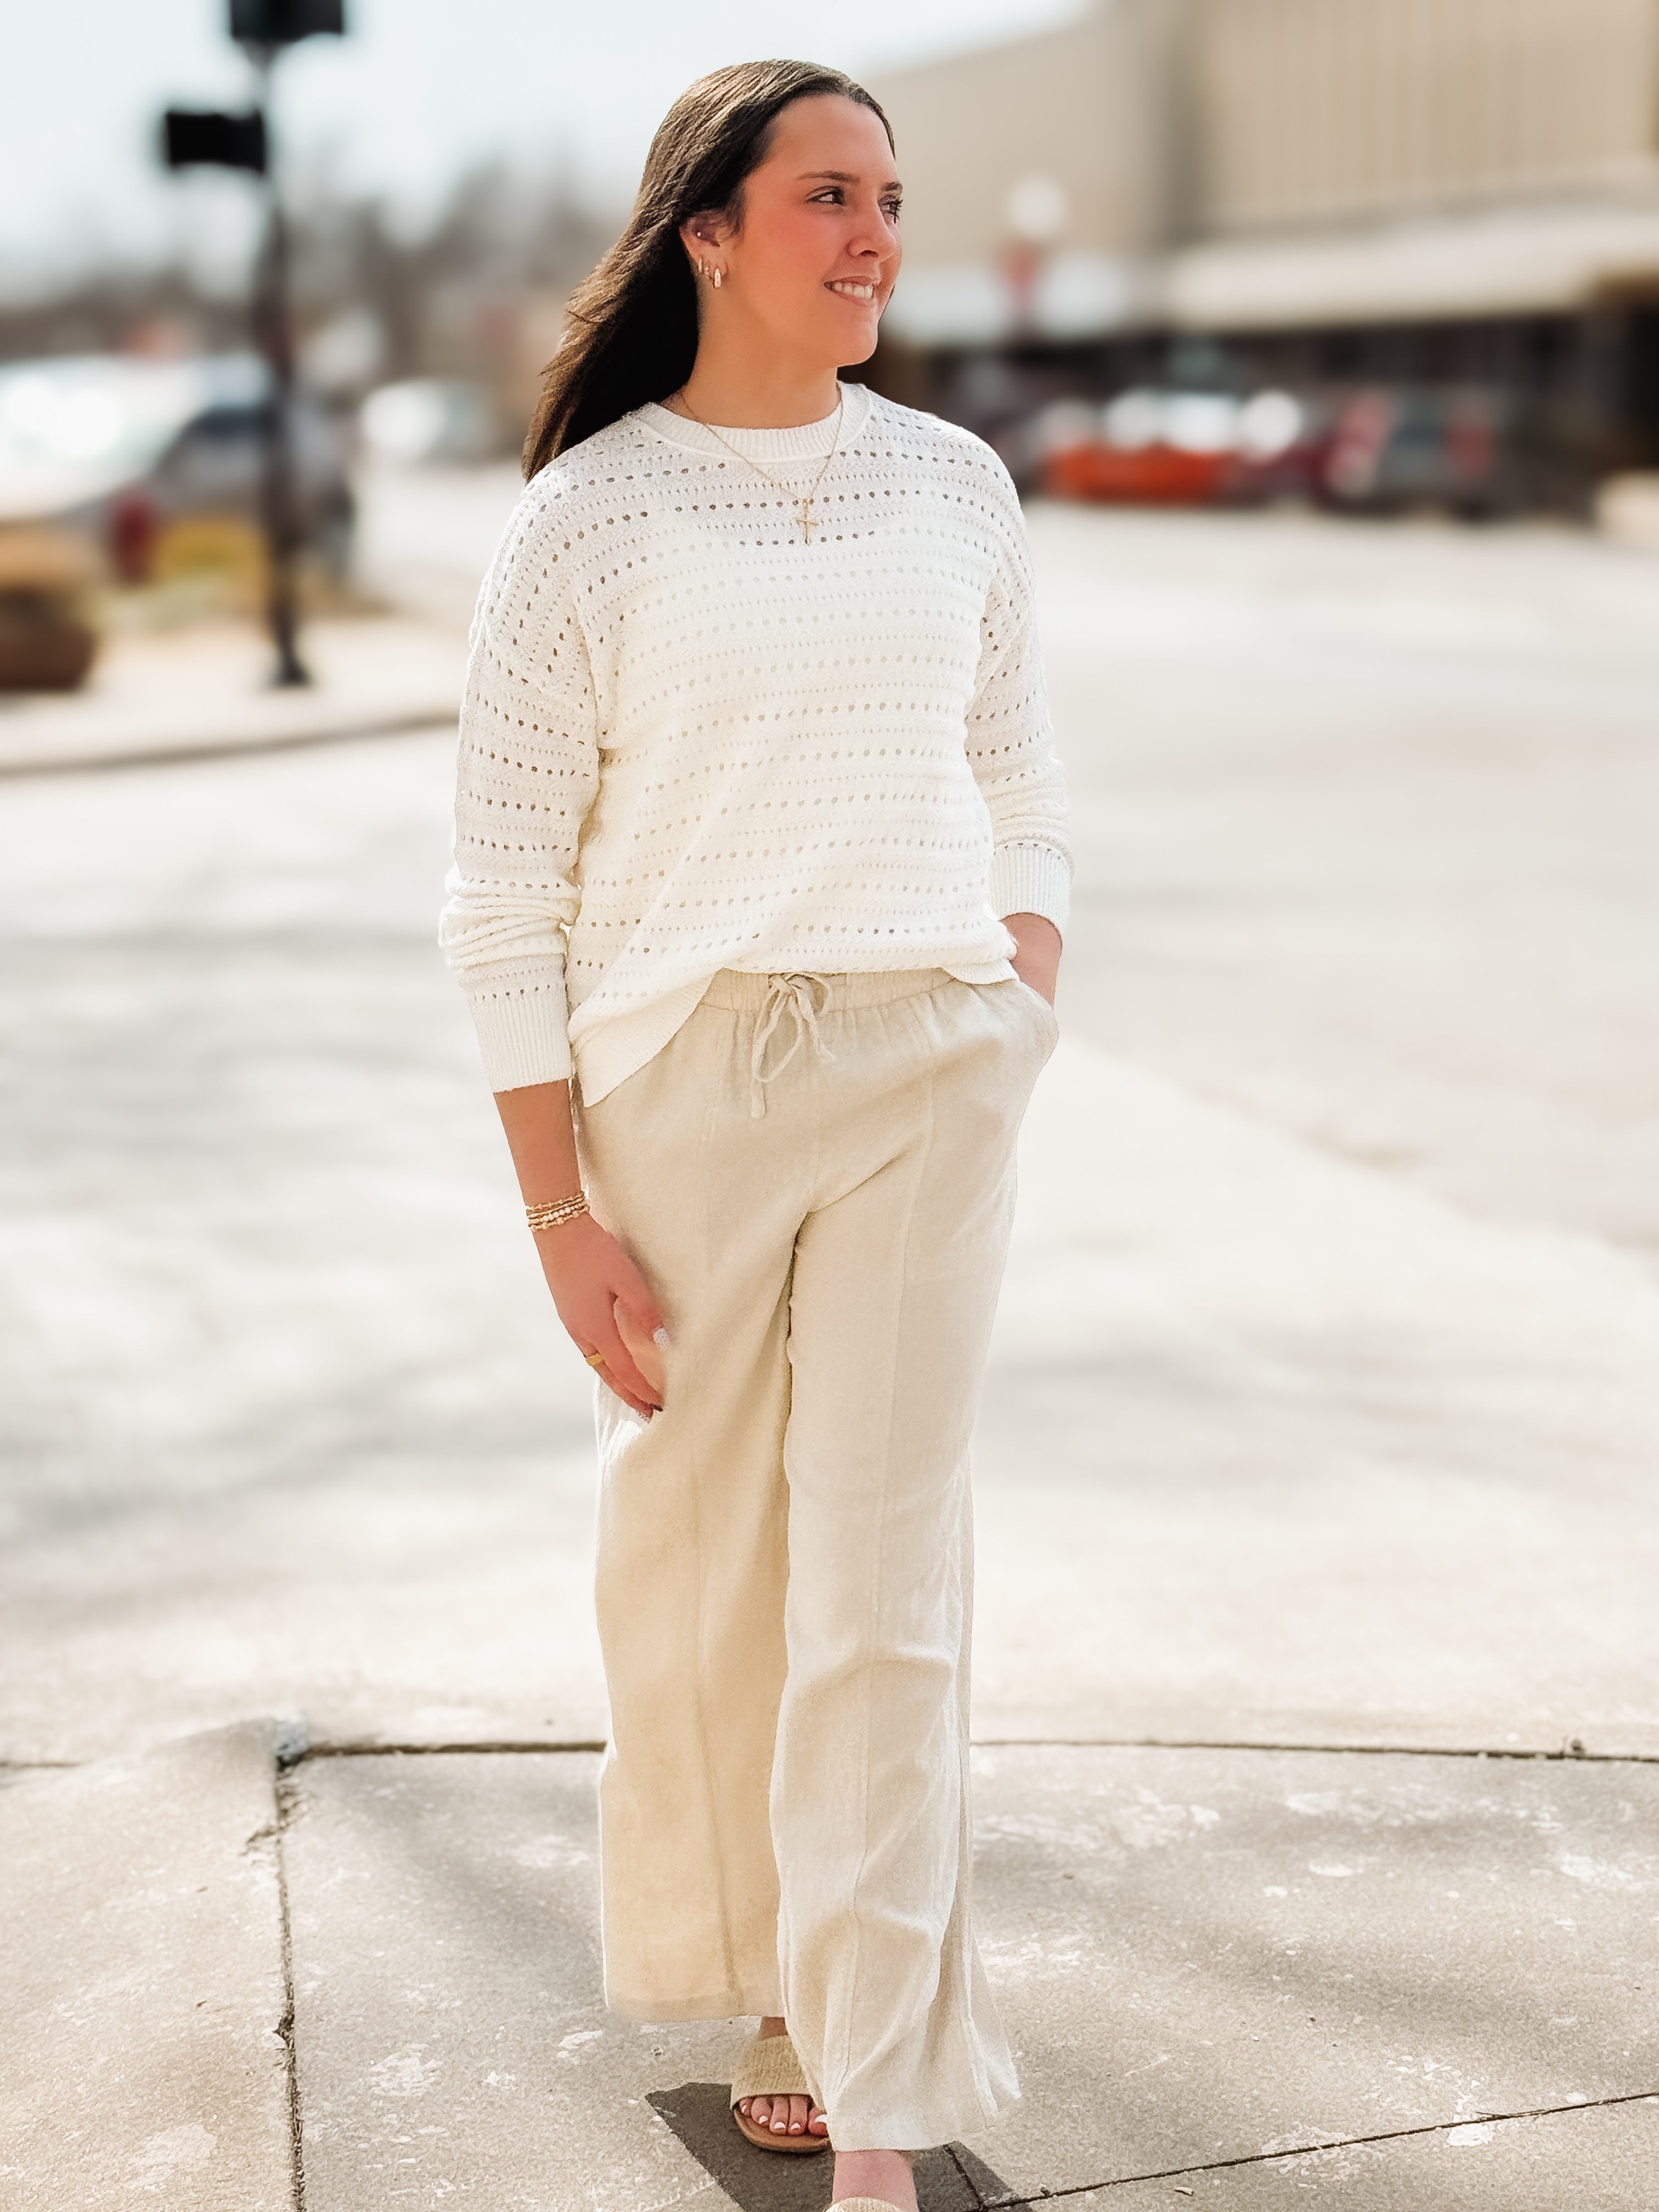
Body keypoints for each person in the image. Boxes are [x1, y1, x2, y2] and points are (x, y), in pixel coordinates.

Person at [439, 58, 1069, 2212]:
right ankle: (767, 1981)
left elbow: (1024, 778)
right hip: (683, 1082)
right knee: (707, 1569)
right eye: (828, 195)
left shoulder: (958, 484)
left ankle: (880, 2086)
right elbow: (503, 896)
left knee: (886, 1580)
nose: (876, 231)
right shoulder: (589, 519)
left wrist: (1021, 998)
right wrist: (557, 1214)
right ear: (706, 227)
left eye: (889, 194)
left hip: (929, 1059)